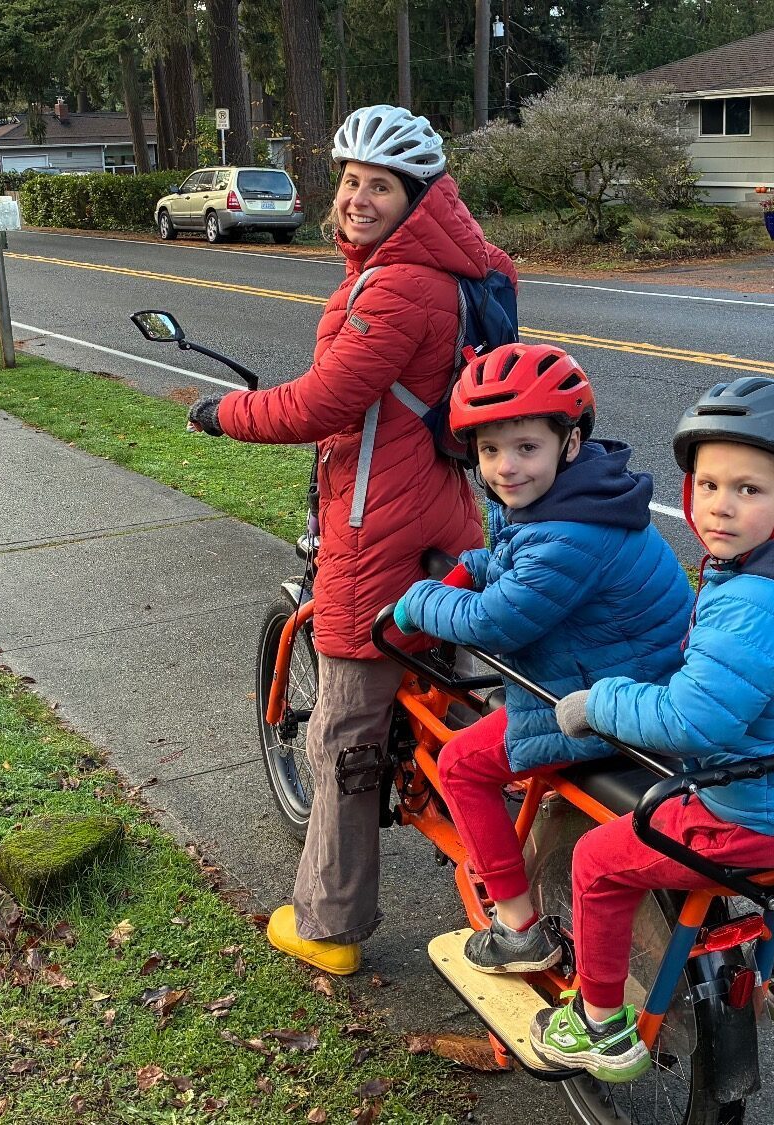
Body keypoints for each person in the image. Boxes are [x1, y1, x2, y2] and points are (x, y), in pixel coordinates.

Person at [184, 105, 513, 976]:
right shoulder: (455, 270)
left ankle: (328, 922)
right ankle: (483, 834)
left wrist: (221, 413)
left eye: (380, 187)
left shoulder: (400, 285)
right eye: (353, 182)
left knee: (343, 723)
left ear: (418, 197)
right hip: (442, 503)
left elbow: (320, 404)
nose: (359, 199)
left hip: (379, 522)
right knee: (453, 685)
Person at [534, 377, 774, 1082]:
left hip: (755, 815)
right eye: (707, 484)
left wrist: (600, 700)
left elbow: (692, 719)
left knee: (598, 862)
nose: (719, 506)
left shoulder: (757, 600)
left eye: (747, 489)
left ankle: (599, 1024)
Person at [390, 343, 693, 973]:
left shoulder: (570, 536)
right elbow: (514, 560)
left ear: (569, 442)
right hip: (634, 675)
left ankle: (517, 926)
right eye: (490, 449)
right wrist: (472, 566)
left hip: (601, 704)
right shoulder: (581, 500)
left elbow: (496, 621)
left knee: (463, 762)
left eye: (526, 447)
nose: (506, 467)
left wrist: (418, 602)